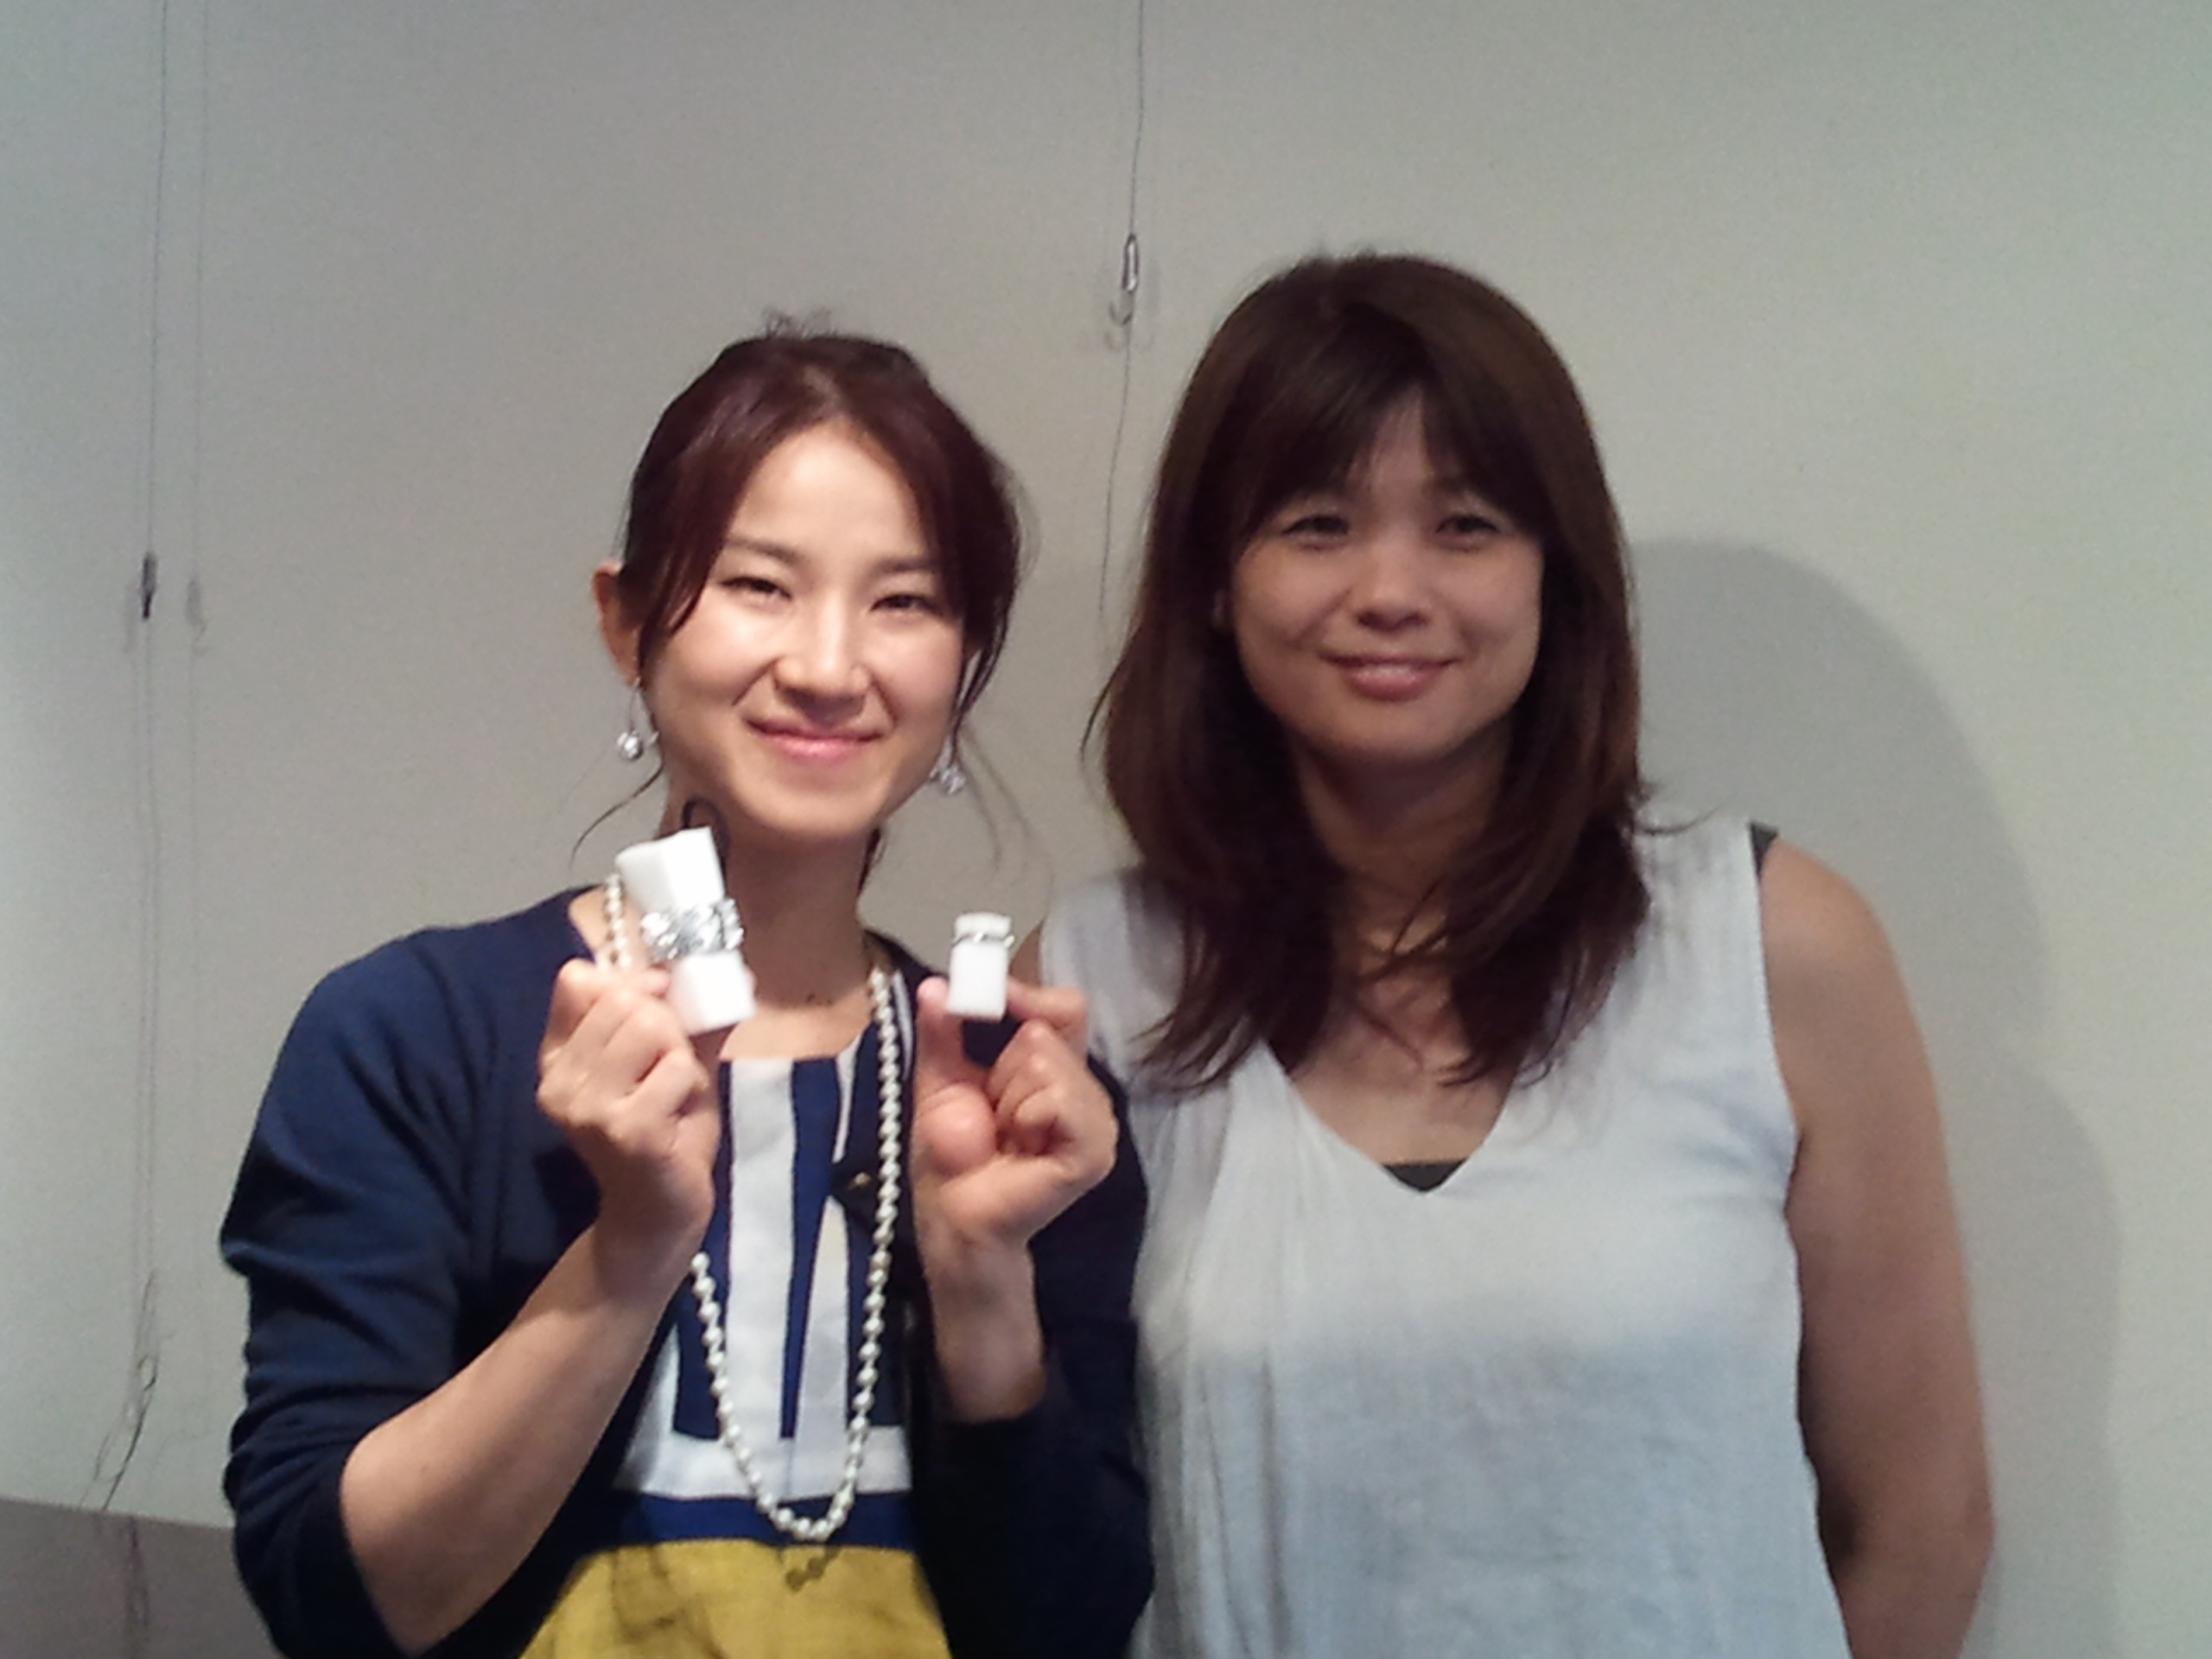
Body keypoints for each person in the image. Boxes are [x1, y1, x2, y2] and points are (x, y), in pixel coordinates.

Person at [1031, 254, 1990, 1657]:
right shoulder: (1100, 981)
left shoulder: (1776, 944)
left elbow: (1923, 1533)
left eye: (1466, 525)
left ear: (1555, 577)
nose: (1391, 589)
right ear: (1218, 586)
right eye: (1317, 524)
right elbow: (1049, 1524)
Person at [223, 331, 1149, 1659]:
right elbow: (340, 1606)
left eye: (905, 602)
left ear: (965, 663)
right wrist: (631, 1252)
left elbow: (1073, 1631)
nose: (828, 666)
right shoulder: (411, 1035)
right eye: (757, 585)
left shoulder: (1014, 1103)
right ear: (627, 622)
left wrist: (984, 1282)